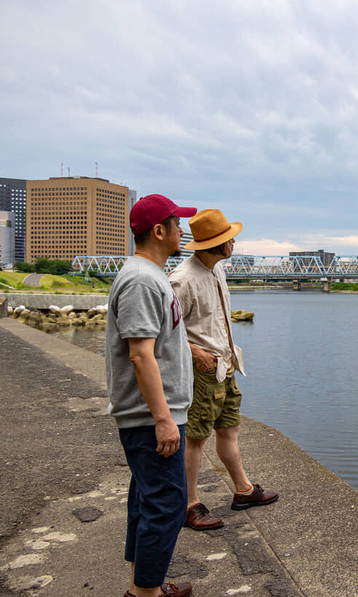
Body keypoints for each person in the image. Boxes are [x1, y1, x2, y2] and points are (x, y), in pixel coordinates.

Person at [106, 194, 197, 597]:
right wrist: (163, 419)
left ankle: (143, 585)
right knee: (168, 504)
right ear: (159, 231)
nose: (183, 229)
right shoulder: (142, 279)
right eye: (178, 223)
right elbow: (141, 354)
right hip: (149, 417)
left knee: (146, 500)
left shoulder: (151, 274)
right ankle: (146, 595)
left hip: (152, 414)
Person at [169, 208, 278, 531]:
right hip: (202, 371)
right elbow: (164, 332)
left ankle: (243, 490)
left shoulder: (216, 270)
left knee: (228, 429)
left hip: (225, 365)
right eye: (229, 239)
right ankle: (189, 504)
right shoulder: (182, 280)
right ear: (217, 244)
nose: (234, 243)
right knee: (195, 439)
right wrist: (195, 353)